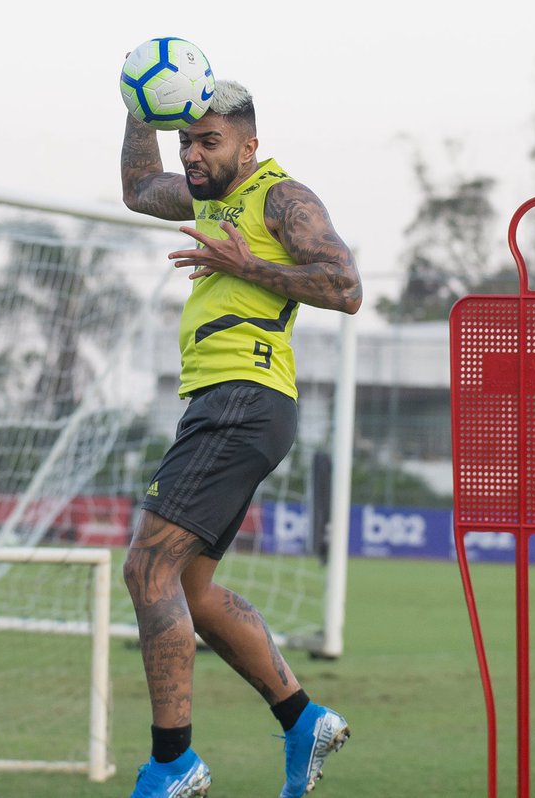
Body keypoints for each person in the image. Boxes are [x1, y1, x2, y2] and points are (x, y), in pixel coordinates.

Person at [120, 78, 362, 798]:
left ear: (249, 145)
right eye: (186, 141)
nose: (192, 155)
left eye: (209, 141)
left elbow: (346, 286)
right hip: (227, 403)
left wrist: (244, 265)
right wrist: (139, 106)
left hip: (244, 398)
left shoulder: (281, 197)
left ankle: (174, 763)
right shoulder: (208, 197)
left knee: (147, 570)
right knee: (191, 588)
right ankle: (302, 718)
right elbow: (139, 188)